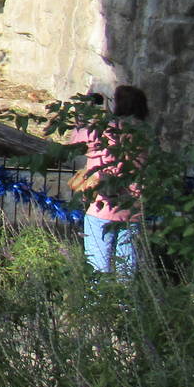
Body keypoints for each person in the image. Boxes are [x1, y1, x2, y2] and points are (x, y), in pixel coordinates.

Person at [73, 85, 149, 276]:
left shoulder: (104, 130)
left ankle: (97, 306)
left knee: (97, 272)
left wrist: (86, 111)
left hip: (101, 206)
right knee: (126, 272)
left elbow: (74, 141)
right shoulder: (145, 134)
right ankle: (126, 306)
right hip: (132, 209)